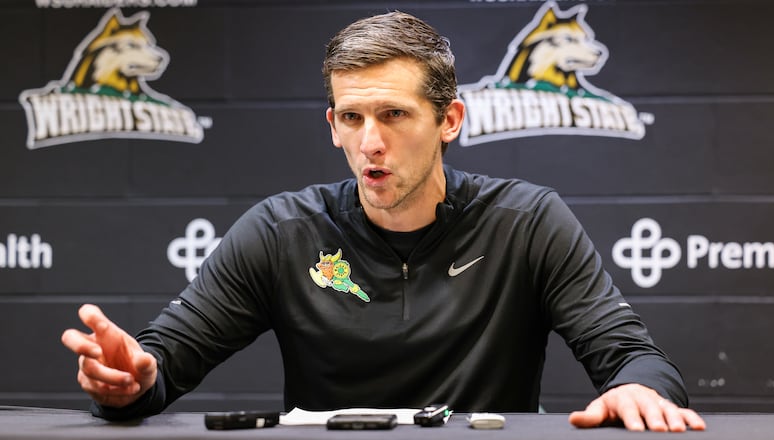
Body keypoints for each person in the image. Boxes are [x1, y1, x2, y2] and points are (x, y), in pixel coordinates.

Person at [61, 11, 706, 432]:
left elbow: (633, 358)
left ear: (449, 120)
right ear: (333, 125)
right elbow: (159, 366)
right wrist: (127, 380)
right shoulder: (282, 230)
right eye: (351, 117)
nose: (370, 142)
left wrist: (637, 390)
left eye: (394, 115)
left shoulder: (526, 220)